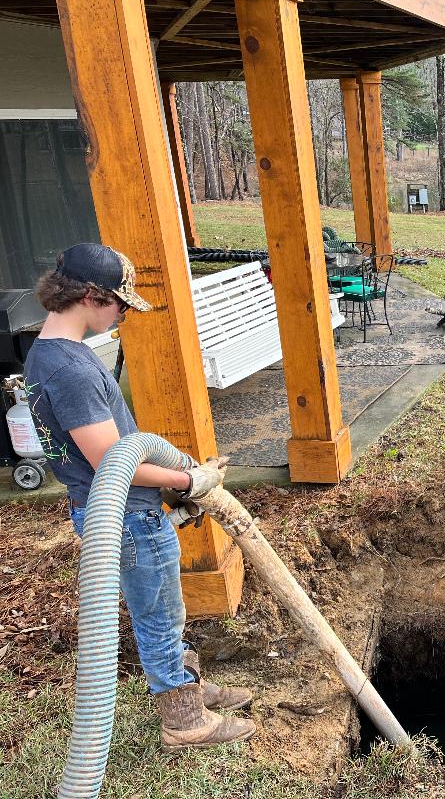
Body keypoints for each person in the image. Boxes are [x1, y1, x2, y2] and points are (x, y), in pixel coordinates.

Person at [23, 243, 255, 751]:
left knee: (165, 608)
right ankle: (183, 718)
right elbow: (114, 463)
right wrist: (187, 482)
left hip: (120, 512)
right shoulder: (72, 370)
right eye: (120, 304)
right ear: (90, 295)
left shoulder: (48, 354)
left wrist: (178, 478)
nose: (124, 314)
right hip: (126, 517)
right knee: (158, 615)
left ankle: (186, 683)